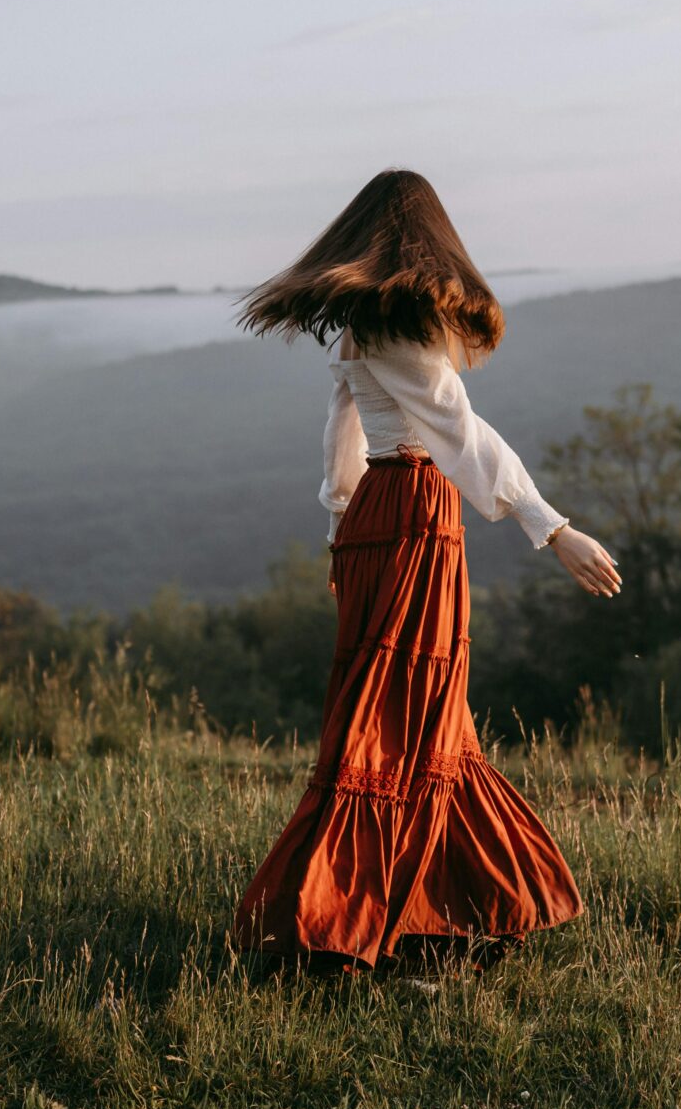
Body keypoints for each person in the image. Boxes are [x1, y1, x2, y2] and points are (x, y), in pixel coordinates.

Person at [229, 168, 621, 971]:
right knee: (412, 712)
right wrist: (556, 530)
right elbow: (462, 433)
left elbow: (342, 435)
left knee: (400, 712)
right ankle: (371, 919)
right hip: (414, 513)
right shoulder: (399, 330)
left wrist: (341, 525)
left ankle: (405, 912)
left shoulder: (360, 327)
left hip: (379, 512)